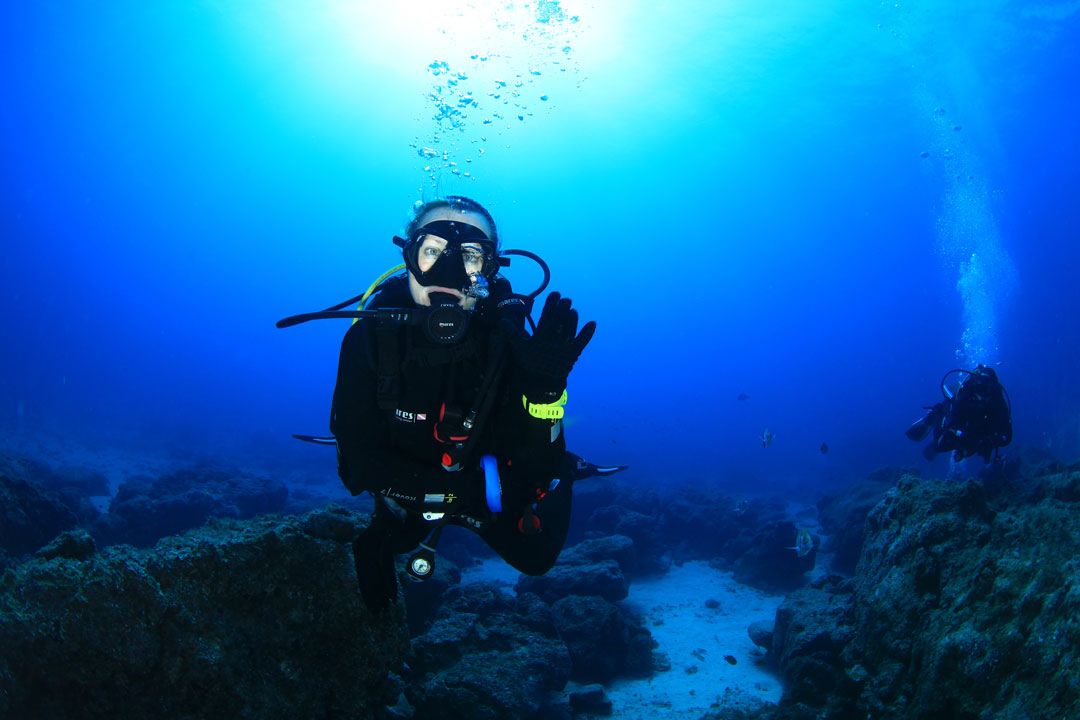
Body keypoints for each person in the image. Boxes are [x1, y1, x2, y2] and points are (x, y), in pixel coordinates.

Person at [320, 195, 622, 612]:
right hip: (425, 485)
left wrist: (545, 394)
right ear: (409, 256)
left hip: (490, 486)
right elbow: (355, 465)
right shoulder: (371, 337)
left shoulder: (510, 342)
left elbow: (537, 463)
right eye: (432, 251)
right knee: (387, 541)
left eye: (469, 256)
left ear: (490, 268)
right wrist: (450, 495)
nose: (447, 271)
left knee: (536, 558)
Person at [906, 364, 1012, 463]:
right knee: (941, 445)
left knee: (973, 450)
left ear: (994, 389)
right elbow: (952, 423)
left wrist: (989, 441)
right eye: (981, 388)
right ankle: (935, 416)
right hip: (959, 426)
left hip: (980, 433)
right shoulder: (965, 395)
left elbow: (1006, 436)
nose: (983, 394)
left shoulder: (998, 402)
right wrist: (958, 435)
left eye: (988, 389)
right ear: (975, 386)